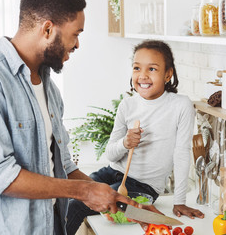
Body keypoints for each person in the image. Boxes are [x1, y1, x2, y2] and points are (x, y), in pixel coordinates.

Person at [0, 0, 141, 234]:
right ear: (48, 29)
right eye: (76, 34)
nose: (77, 44)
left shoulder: (49, 88)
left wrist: (113, 199)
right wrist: (85, 192)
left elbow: (62, 164)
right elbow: (0, 177)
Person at [66, 40, 204, 233]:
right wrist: (125, 143)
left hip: (144, 187)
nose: (143, 76)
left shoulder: (180, 105)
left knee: (76, 206)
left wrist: (179, 201)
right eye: (137, 68)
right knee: (72, 198)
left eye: (152, 69)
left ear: (168, 74)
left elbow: (182, 153)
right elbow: (111, 155)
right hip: (111, 172)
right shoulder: (127, 105)